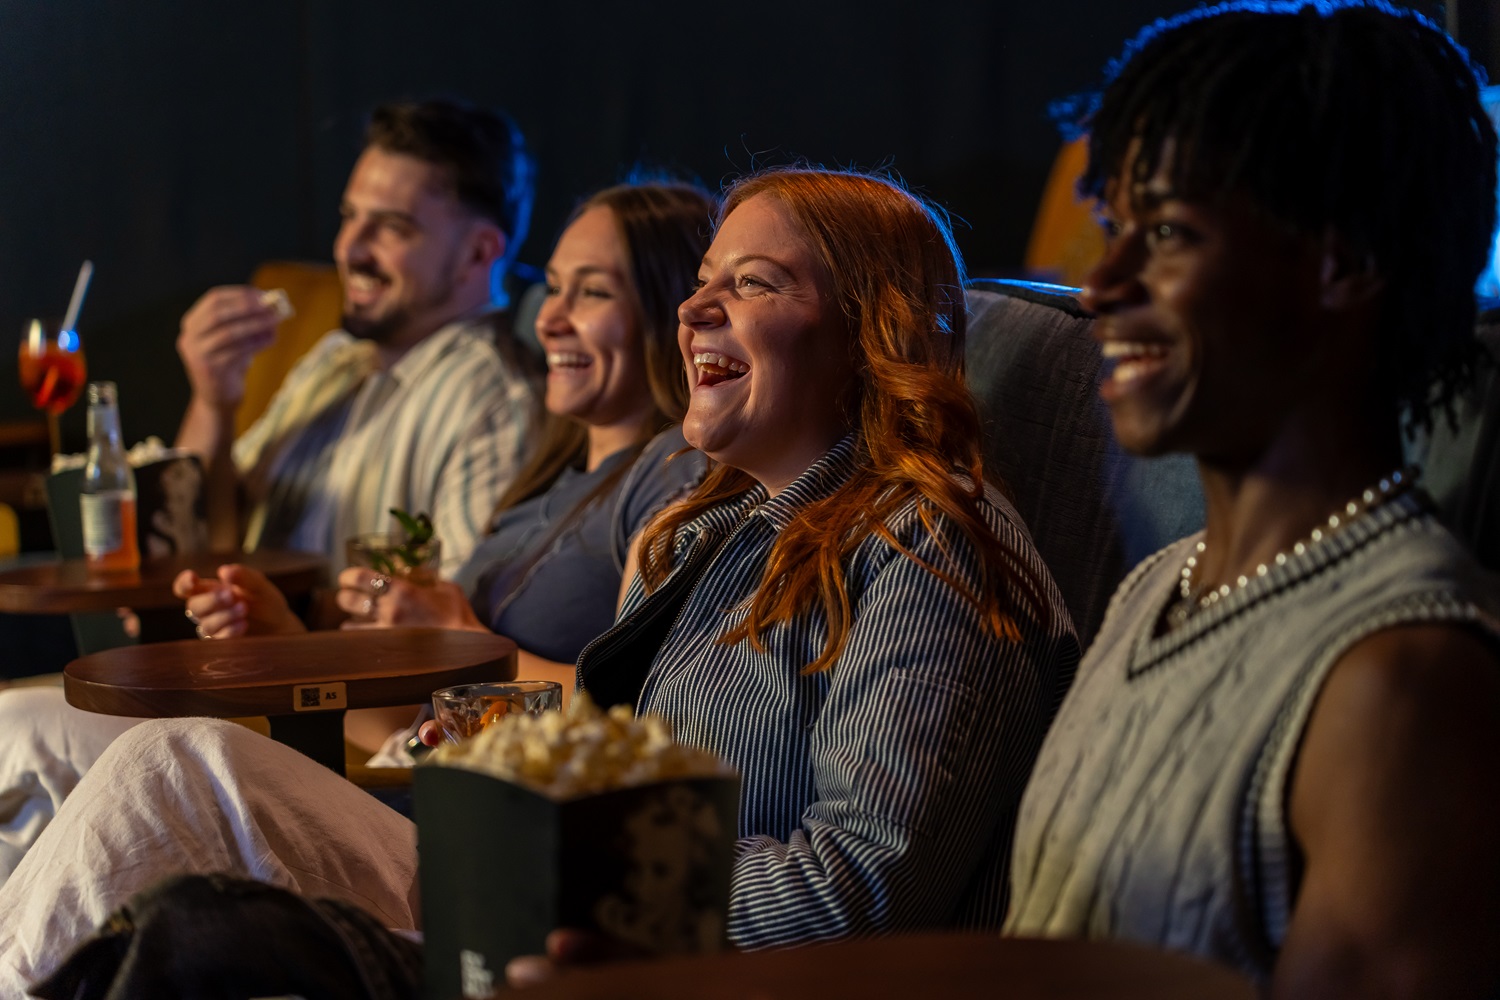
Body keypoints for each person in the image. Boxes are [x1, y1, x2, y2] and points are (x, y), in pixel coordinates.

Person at [0, 167, 1079, 991]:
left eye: (753, 284)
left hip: (618, 946)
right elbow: (585, 738)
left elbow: (860, 889)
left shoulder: (926, 547)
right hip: (525, 878)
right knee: (90, 745)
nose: (697, 310)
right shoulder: (718, 530)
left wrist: (557, 865)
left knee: (169, 768)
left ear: (871, 331)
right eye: (701, 284)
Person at [0, 180, 715, 881]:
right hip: (400, 778)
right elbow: (396, 724)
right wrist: (284, 643)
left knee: (152, 766)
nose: (550, 319)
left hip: (462, 823)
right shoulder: (546, 482)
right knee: (22, 725)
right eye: (553, 288)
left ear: (674, 311)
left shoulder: (669, 474)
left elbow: (647, 719)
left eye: (592, 292)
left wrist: (468, 637)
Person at [1002, 3, 1500, 996]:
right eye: (1114, 229)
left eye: (1170, 233)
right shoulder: (1152, 587)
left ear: (1344, 263)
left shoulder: (1404, 679)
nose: (1101, 282)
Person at [175, 98, 541, 576]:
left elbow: (457, 630)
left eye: (391, 228)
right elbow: (201, 543)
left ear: (478, 253)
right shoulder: (337, 357)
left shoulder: (495, 403)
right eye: (349, 217)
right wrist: (212, 402)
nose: (349, 248)